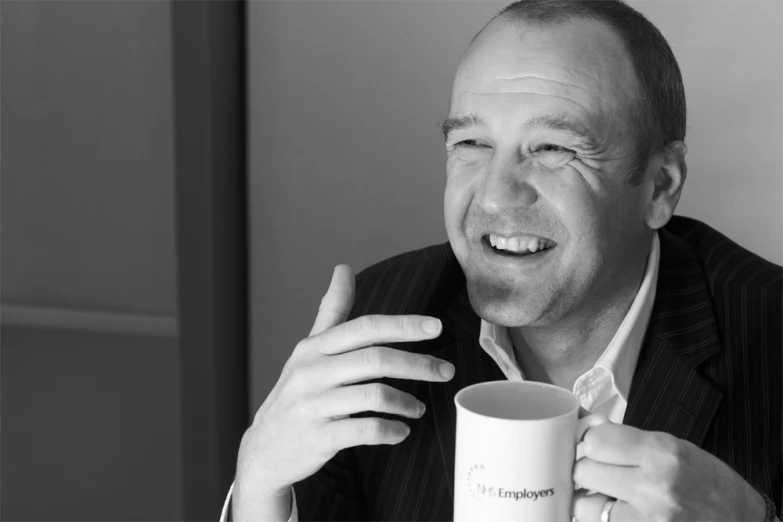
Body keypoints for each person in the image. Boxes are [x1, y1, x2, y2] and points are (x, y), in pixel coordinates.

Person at [224, 1, 782, 521]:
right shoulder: (379, 329)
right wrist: (259, 487)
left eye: (553, 149)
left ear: (660, 186)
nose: (495, 197)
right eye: (471, 144)